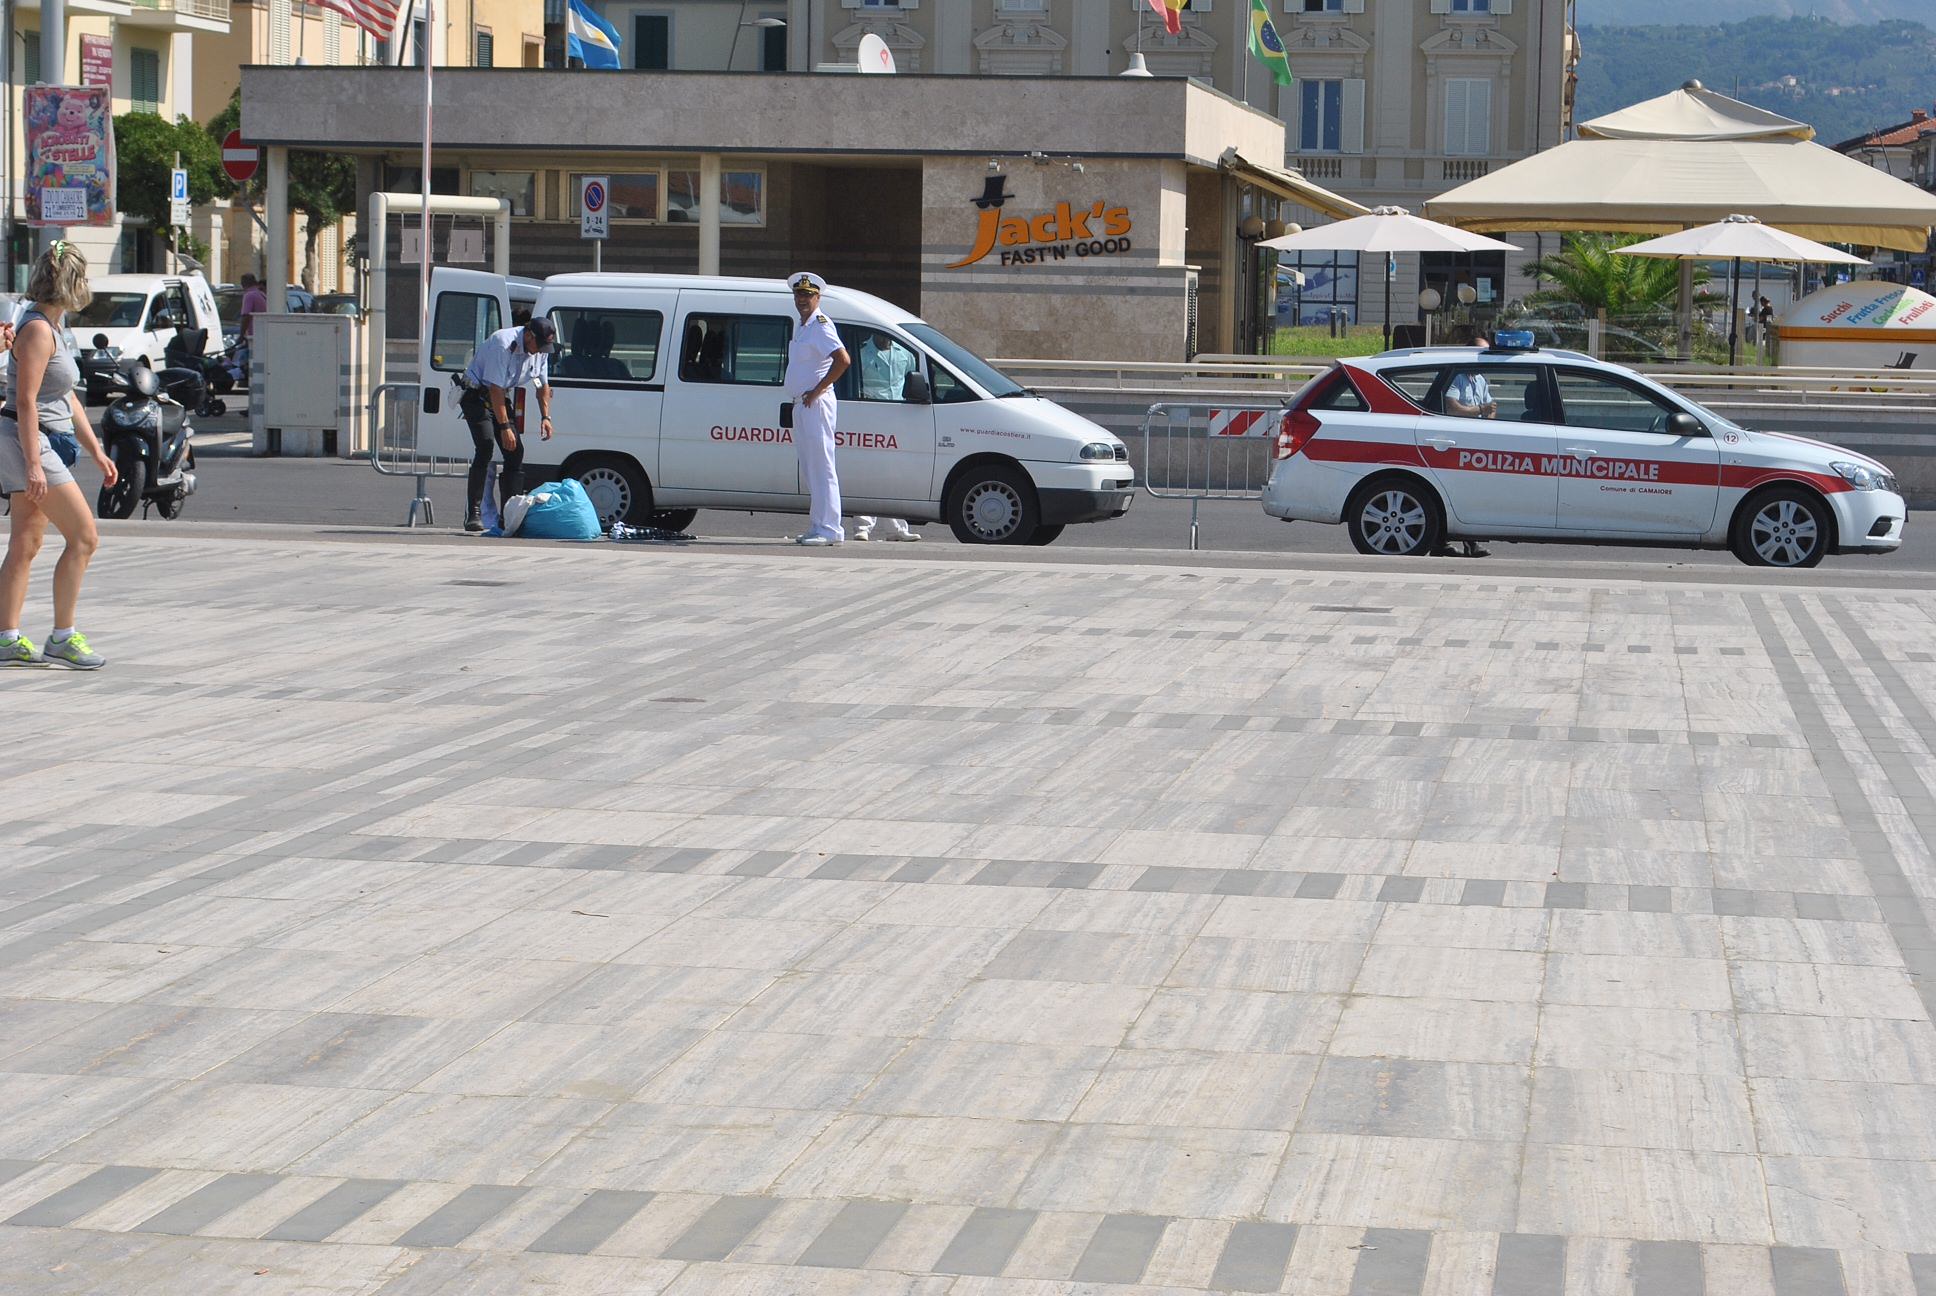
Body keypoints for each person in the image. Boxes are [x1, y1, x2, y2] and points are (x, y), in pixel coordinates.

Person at [1, 241, 117, 669]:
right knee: (84, 537)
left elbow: (66, 398)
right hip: (29, 440)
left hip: (43, 439)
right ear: (72, 283)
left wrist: (96, 450)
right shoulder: (35, 329)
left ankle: (7, 638)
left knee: (27, 542)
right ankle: (62, 636)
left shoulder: (54, 324)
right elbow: (26, 401)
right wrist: (33, 463)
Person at [456, 315, 556, 532]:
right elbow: (495, 390)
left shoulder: (540, 351)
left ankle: (508, 517)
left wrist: (545, 418)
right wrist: (504, 428)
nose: (540, 351)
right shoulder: (503, 343)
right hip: (476, 394)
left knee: (515, 452)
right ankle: (474, 512)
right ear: (528, 335)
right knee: (485, 445)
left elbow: (542, 386)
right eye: (538, 345)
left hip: (501, 396)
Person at [784, 272, 850, 546]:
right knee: (811, 467)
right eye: (799, 294)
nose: (802, 299)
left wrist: (819, 389)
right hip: (803, 404)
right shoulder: (804, 325)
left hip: (816, 404)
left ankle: (830, 528)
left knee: (822, 467)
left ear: (818, 297)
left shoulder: (821, 325)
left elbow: (843, 360)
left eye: (808, 295)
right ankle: (817, 524)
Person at [852, 330, 919, 543]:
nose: (885, 339)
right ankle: (862, 526)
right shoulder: (862, 353)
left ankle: (896, 528)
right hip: (871, 417)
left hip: (898, 418)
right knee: (867, 472)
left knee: (895, 473)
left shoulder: (905, 354)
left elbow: (910, 381)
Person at [1435, 361, 1494, 558]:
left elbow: (1491, 407)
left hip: (1476, 441)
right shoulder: (1458, 378)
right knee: (1454, 491)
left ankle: (1468, 542)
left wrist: (1490, 422)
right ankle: (1446, 542)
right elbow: (1452, 407)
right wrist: (1480, 410)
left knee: (1471, 492)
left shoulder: (1480, 380)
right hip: (1457, 442)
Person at [236, 272, 268, 381]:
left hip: (254, 335)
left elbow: (246, 316)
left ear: (244, 283)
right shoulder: (261, 294)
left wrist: (241, 335)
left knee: (253, 364)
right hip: (263, 334)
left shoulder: (249, 295)